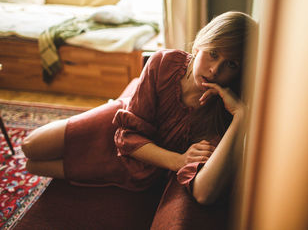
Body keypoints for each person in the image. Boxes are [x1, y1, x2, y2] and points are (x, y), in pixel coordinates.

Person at [21, 11, 256, 205]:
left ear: (240, 72)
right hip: (117, 124)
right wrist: (178, 161)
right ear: (198, 46)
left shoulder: (222, 112)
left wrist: (241, 117)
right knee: (31, 147)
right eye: (213, 53)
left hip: (141, 167)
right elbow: (126, 135)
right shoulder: (164, 62)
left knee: (33, 166)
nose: (215, 70)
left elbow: (204, 193)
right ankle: (109, 106)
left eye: (231, 64)